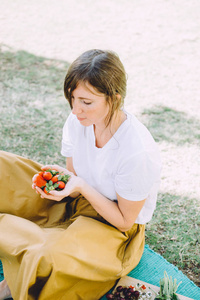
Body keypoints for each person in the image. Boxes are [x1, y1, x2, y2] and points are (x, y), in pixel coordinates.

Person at [0, 49, 162, 300]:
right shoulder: (78, 120)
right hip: (76, 201)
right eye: (73, 99)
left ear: (115, 98)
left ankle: (20, 276)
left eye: (87, 102)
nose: (76, 110)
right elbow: (74, 174)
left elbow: (124, 222)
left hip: (112, 229)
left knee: (46, 256)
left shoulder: (136, 152)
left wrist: (81, 186)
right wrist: (63, 181)